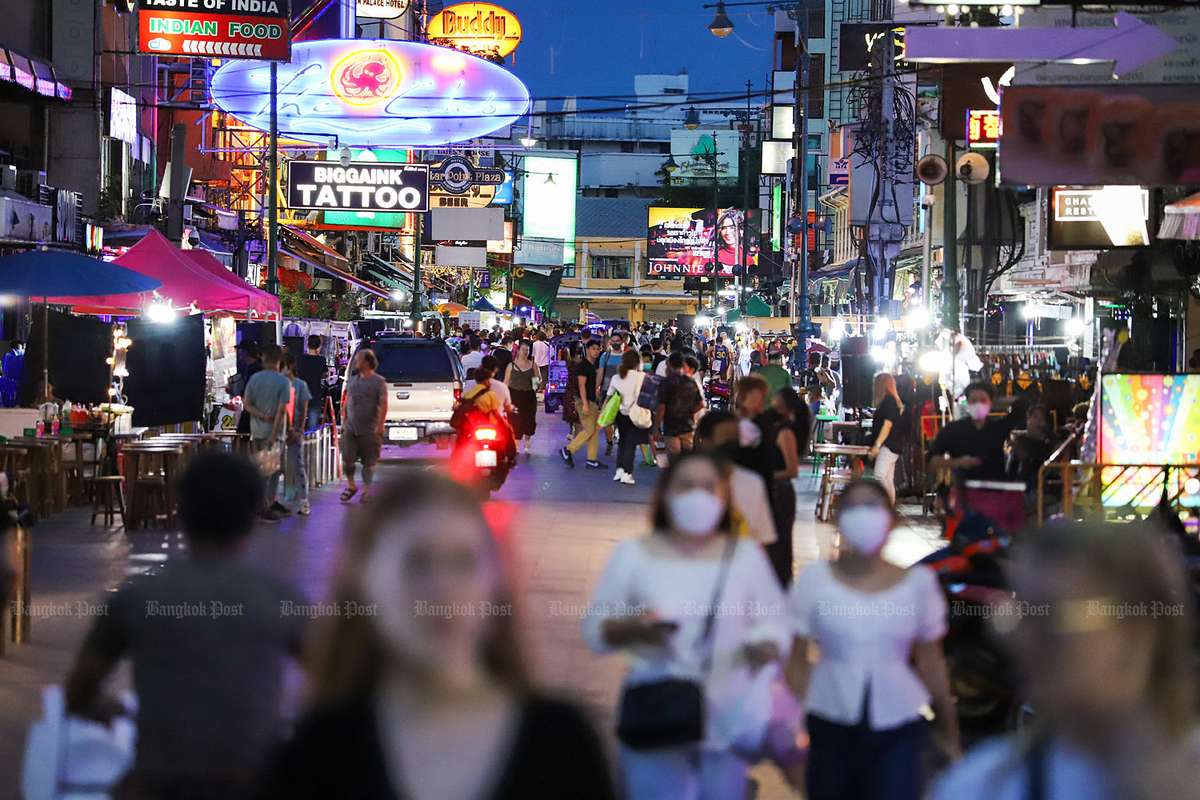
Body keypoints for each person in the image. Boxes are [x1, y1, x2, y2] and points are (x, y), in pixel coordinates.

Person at [259, 472, 616, 800]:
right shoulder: (317, 756)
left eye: (464, 562)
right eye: (416, 562)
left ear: (495, 583)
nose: (442, 589)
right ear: (366, 580)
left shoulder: (562, 744)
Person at [66, 452, 307, 800]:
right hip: (254, 785)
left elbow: (79, 693)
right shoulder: (280, 600)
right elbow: (342, 689)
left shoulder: (136, 598)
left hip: (160, 786)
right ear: (252, 517)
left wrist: (113, 709)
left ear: (180, 510)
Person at [931, 520, 1200, 800]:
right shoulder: (981, 786)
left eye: (1053, 618)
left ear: (1139, 631)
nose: (1026, 643)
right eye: (1022, 617)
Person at [583, 452, 789, 800]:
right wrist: (635, 628)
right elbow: (595, 632)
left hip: (726, 720)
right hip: (657, 715)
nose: (699, 495)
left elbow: (776, 624)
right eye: (687, 485)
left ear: (724, 498)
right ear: (666, 494)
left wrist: (762, 646)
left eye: (710, 487)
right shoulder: (635, 555)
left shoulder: (744, 557)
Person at [786, 479, 960, 800]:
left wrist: (949, 728)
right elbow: (795, 659)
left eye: (873, 506)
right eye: (853, 507)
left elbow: (930, 660)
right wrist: (793, 726)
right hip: (828, 717)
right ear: (837, 518)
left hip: (899, 720)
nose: (863, 515)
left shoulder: (918, 585)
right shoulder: (815, 581)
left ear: (891, 520)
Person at [734, 375, 800, 587]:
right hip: (752, 494)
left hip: (765, 493)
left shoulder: (764, 424)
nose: (763, 400)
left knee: (773, 549)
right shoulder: (747, 424)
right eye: (759, 395)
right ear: (745, 396)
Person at [694, 410, 775, 545]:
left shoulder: (752, 483)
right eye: (726, 437)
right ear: (705, 441)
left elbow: (761, 540)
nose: (732, 443)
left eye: (736, 438)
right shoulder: (686, 482)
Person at [243, 344, 293, 521]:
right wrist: (273, 433)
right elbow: (281, 411)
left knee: (261, 468)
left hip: (256, 431)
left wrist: (261, 416)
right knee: (271, 471)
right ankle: (265, 506)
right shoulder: (282, 382)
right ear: (279, 361)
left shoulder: (254, 379)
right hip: (275, 434)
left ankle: (264, 504)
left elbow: (247, 404)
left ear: (264, 359)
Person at [928, 381, 1013, 483]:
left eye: (983, 400)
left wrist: (998, 401)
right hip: (964, 491)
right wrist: (957, 462)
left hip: (995, 491)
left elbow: (1023, 403)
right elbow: (932, 460)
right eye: (973, 401)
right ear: (968, 403)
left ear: (991, 403)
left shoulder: (998, 427)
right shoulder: (953, 429)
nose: (978, 404)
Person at [340, 348, 388, 505]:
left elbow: (383, 404)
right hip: (351, 428)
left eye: (358, 359)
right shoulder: (353, 381)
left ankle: (366, 491)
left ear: (367, 362)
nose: (355, 362)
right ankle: (351, 486)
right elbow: (347, 402)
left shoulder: (378, 382)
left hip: (369, 429)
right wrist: (344, 421)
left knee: (369, 462)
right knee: (347, 459)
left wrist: (380, 425)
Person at [605, 349, 650, 485]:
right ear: (637, 362)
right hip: (634, 413)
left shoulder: (616, 377)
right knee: (630, 445)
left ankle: (619, 470)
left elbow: (609, 395)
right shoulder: (641, 376)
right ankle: (627, 473)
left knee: (623, 443)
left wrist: (604, 412)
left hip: (620, 414)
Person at [561, 339, 605, 470]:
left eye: (598, 349)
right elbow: (581, 385)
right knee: (590, 429)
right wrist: (585, 403)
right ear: (588, 349)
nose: (596, 351)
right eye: (593, 349)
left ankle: (592, 459)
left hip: (591, 400)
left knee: (595, 430)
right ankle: (568, 450)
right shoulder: (584, 365)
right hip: (584, 401)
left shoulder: (590, 364)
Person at [281, 352, 313, 516]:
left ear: (290, 366)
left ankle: (304, 500)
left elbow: (304, 408)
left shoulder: (300, 385)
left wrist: (299, 429)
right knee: (274, 467)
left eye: (283, 365)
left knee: (298, 465)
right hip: (279, 430)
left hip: (293, 431)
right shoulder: (278, 383)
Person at [869, 373, 907, 504]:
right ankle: (889, 507)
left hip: (888, 445)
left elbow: (887, 425)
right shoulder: (894, 401)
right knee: (888, 478)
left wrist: (877, 445)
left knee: (880, 476)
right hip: (894, 445)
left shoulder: (889, 401)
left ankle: (885, 506)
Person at [657, 352, 704, 457]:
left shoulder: (666, 382)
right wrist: (688, 412)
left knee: (675, 460)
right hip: (688, 426)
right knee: (686, 459)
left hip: (671, 427)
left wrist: (656, 427)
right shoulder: (691, 382)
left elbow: (661, 407)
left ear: (669, 365)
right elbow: (701, 404)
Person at [504, 339, 538, 456]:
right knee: (515, 420)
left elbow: (536, 380)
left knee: (529, 420)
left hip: (529, 396)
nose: (525, 352)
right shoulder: (511, 366)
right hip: (515, 395)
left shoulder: (533, 364)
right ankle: (516, 445)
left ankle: (527, 441)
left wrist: (535, 386)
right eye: (523, 349)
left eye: (527, 350)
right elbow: (506, 382)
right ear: (518, 351)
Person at [598, 332, 626, 457]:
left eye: (617, 340)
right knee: (607, 419)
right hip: (606, 391)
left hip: (623, 393)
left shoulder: (626, 357)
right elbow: (600, 373)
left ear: (622, 342)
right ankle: (609, 442)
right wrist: (595, 388)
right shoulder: (605, 356)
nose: (615, 342)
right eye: (613, 340)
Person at [296, 334, 327, 431]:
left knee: (298, 422)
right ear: (319, 346)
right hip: (315, 394)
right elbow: (324, 375)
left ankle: (296, 443)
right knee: (312, 426)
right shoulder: (321, 360)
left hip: (301, 394)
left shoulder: (300, 359)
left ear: (307, 344)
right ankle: (311, 443)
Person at [232, 340, 263, 436]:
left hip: (253, 409)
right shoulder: (250, 367)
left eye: (240, 350)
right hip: (253, 409)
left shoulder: (254, 369)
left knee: (242, 434)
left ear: (246, 352)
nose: (239, 354)